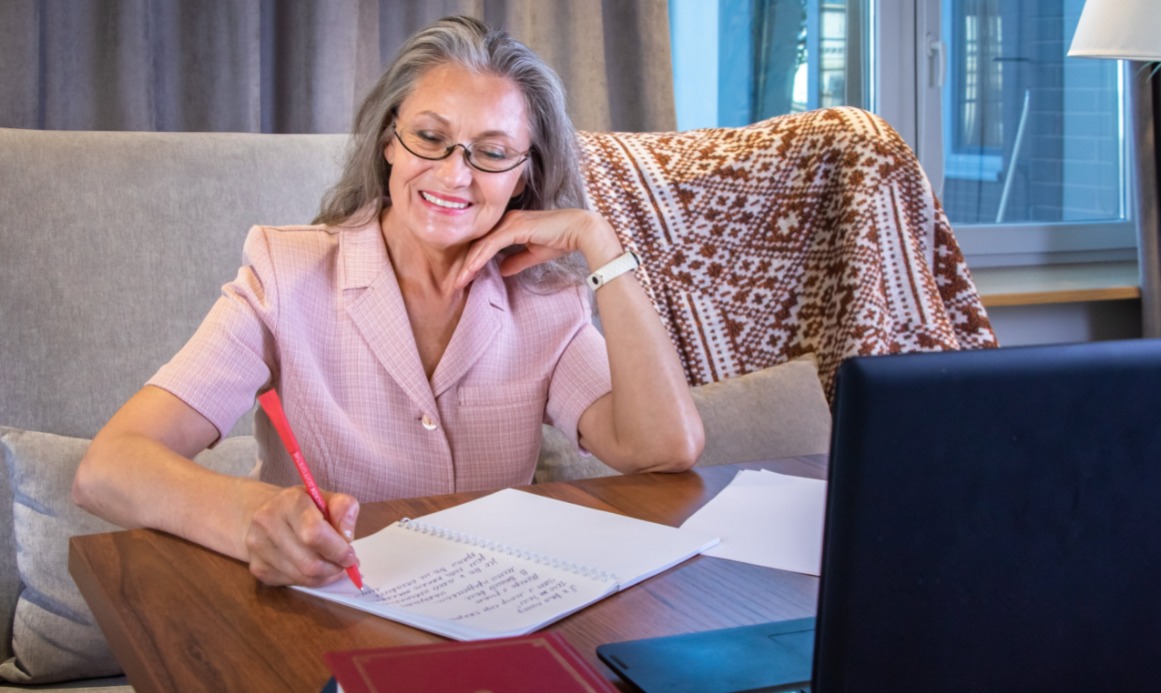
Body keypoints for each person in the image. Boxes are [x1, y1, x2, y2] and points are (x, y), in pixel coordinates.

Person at [72, 16, 703, 588]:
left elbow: (662, 449)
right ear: (389, 141)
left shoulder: (546, 301)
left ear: (524, 175)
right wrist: (254, 517)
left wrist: (601, 246)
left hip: (489, 616)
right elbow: (110, 467)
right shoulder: (284, 274)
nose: (455, 175)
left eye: (492, 152)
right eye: (430, 137)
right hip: (324, 613)